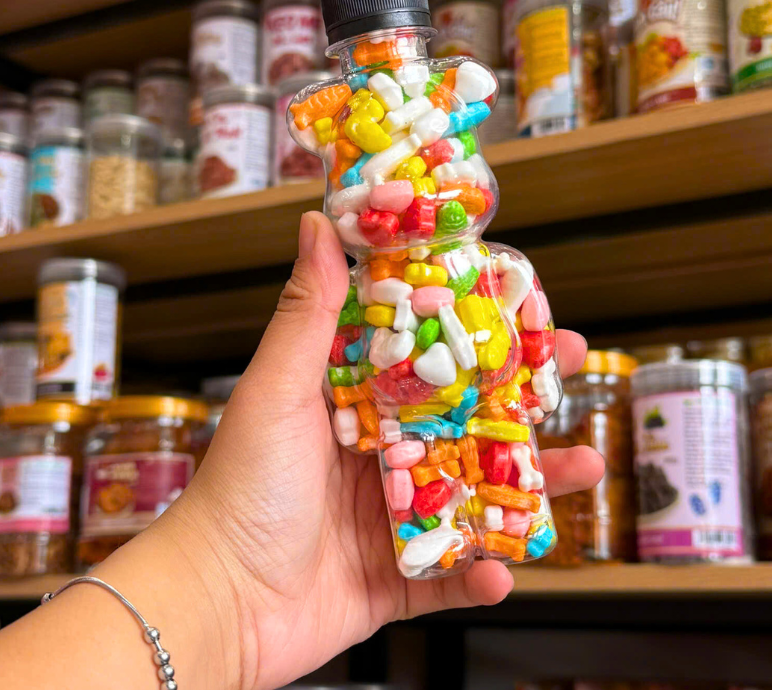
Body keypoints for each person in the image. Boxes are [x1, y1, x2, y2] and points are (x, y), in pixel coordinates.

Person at [0, 212, 604, 690]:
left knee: (507, 501)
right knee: (423, 493)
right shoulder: (364, 295)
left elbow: (534, 349)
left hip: (492, 419)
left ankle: (511, 523)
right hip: (405, 437)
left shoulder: (496, 268)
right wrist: (226, 572)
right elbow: (346, 373)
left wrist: (533, 384)